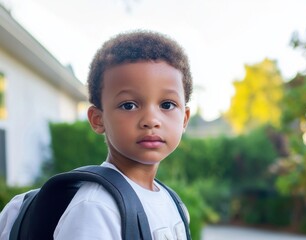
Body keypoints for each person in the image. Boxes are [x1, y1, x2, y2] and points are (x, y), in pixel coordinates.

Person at [0, 30, 192, 240]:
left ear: (184, 118)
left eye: (167, 104)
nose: (151, 120)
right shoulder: (95, 208)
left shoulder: (172, 202)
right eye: (129, 105)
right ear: (97, 119)